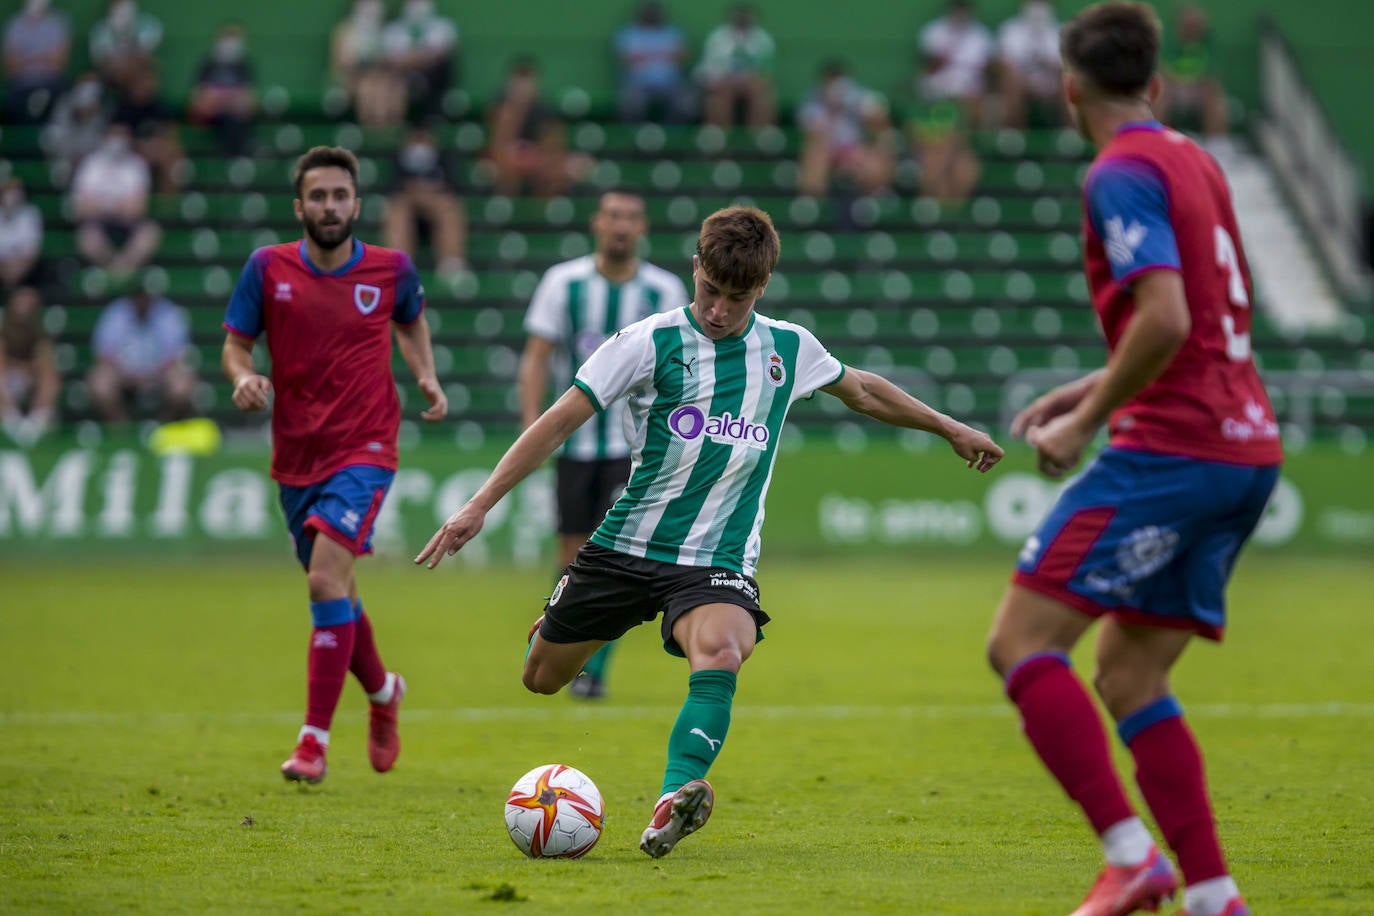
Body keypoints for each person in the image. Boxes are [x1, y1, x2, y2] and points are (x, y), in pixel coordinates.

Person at [418, 205, 1002, 858]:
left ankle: (677, 795)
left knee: (724, 648)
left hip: (714, 559)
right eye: (710, 291)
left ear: (763, 288)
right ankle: (579, 630)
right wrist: (479, 505)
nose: (719, 310)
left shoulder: (789, 349)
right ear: (694, 267)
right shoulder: (647, 341)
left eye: (737, 297)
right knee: (540, 677)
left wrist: (951, 427)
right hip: (622, 547)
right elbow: (556, 423)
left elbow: (864, 390)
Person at [983, 5, 1282, 916]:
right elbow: (1212, 315)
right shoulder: (1195, 159)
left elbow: (1166, 320)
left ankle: (1131, 859)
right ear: (1156, 82)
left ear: (1068, 87)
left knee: (1020, 644)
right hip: (1246, 447)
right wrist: (1091, 386)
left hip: (1174, 447)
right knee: (1128, 673)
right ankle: (1213, 895)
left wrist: (1086, 425)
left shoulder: (1119, 172)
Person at [222, 146, 448, 785]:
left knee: (324, 581)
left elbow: (411, 322)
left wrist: (426, 377)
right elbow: (236, 346)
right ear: (300, 206)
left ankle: (313, 742)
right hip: (296, 454)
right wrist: (243, 377)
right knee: (339, 590)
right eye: (317, 197)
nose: (329, 207)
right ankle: (383, 694)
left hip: (366, 447)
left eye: (339, 196)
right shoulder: (267, 269)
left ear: (356, 203)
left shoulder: (391, 268)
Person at [517, 188, 690, 700]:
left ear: (643, 227)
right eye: (613, 214)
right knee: (571, 552)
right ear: (598, 222)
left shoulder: (664, 289)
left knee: (608, 551)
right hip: (574, 445)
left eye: (631, 216)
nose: (621, 225)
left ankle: (591, 672)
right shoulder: (562, 283)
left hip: (633, 449)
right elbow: (536, 357)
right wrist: (534, 427)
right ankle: (563, 647)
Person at [87, 284, 196, 423]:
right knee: (99, 382)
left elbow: (178, 353)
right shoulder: (116, 312)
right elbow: (103, 352)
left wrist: (155, 374)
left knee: (182, 384)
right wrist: (125, 373)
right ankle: (120, 428)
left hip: (160, 373)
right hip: (122, 373)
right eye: (138, 298)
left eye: (146, 298)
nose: (142, 302)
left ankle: (163, 425)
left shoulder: (168, 312)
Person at [796, 60, 896, 200]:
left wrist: (855, 106)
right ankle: (811, 204)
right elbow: (813, 134)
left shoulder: (859, 96)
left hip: (855, 149)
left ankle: (878, 198)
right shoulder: (812, 101)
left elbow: (881, 122)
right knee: (815, 153)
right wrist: (831, 109)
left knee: (882, 148)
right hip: (828, 152)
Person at [71, 123, 161, 275]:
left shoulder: (137, 165)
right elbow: (81, 208)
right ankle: (112, 268)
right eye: (114, 135)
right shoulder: (91, 164)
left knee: (151, 233)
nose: (117, 141)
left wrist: (102, 204)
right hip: (98, 224)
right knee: (86, 238)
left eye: (121, 136)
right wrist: (120, 206)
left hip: (128, 224)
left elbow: (138, 209)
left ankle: (122, 269)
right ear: (105, 138)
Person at [484, 59, 582, 198]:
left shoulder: (543, 108)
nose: (524, 87)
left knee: (557, 171)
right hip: (505, 158)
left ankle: (545, 215)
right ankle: (506, 211)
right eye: (519, 82)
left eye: (528, 82)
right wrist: (517, 111)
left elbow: (554, 143)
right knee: (504, 170)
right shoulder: (503, 108)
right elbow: (498, 145)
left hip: (535, 158)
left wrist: (539, 159)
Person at [383, 121, 468, 276]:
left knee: (448, 207)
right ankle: (399, 269)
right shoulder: (397, 161)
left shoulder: (445, 160)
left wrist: (430, 197)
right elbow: (393, 192)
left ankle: (451, 265)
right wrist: (415, 195)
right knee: (397, 210)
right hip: (409, 215)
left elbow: (453, 191)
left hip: (436, 214)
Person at [1159, 3, 1229, 151]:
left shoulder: (1208, 41)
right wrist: (1179, 83)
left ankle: (1217, 147)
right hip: (1174, 89)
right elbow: (1165, 71)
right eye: (1189, 25)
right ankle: (1158, 140)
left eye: (1196, 25)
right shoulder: (1169, 42)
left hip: (1199, 89)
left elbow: (1211, 72)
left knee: (1213, 92)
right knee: (1160, 91)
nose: (1193, 28)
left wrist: (1197, 83)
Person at [695, 4, 776, 130]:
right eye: (739, 17)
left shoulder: (763, 38)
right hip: (722, 80)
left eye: (746, 17)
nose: (742, 20)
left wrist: (753, 81)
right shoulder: (718, 37)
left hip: (750, 82)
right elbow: (710, 67)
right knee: (720, 92)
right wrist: (725, 81)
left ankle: (761, 133)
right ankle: (719, 133)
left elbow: (766, 69)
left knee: (763, 92)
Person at [614, 1, 694, 124]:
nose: (651, 15)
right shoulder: (628, 33)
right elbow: (625, 59)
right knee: (631, 104)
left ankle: (672, 136)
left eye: (654, 13)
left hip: (670, 82)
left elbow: (682, 57)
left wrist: (646, 56)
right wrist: (663, 55)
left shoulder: (672, 33)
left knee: (687, 103)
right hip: (638, 82)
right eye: (647, 13)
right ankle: (635, 138)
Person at [917, 0, 994, 127]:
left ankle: (974, 134)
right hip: (939, 81)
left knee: (978, 98)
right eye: (957, 10)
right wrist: (939, 59)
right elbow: (927, 67)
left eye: (963, 11)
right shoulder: (934, 31)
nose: (959, 15)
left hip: (971, 83)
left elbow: (987, 69)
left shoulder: (981, 35)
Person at [0, 286, 61, 445]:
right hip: (7, 387)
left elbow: (47, 368)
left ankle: (34, 426)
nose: (24, 309)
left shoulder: (40, 336)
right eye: (20, 303)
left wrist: (28, 370)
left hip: (31, 384)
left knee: (50, 379)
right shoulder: (3, 333)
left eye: (29, 305)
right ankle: (14, 425)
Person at [331, 0, 405, 127]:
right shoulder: (346, 30)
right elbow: (343, 64)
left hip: (382, 78)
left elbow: (394, 60)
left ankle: (390, 129)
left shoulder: (386, 31)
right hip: (354, 79)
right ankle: (371, 130)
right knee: (369, 86)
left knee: (394, 86)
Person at [112, 65, 184, 193]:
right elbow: (117, 138)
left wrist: (156, 147)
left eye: (149, 80)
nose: (147, 85)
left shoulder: (160, 105)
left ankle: (168, 207)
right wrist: (139, 147)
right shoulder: (123, 108)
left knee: (173, 160)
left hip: (156, 151)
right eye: (142, 81)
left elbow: (172, 136)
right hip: (130, 154)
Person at [188, 23, 256, 158]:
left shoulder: (244, 66)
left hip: (235, 117)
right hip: (211, 118)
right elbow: (198, 100)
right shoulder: (207, 64)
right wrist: (225, 101)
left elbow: (249, 102)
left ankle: (236, 157)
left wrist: (221, 100)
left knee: (235, 119)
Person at [381, 0, 457, 120]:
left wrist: (413, 57)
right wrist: (418, 57)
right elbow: (391, 58)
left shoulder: (443, 26)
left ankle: (430, 120)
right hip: (402, 76)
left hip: (434, 77)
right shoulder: (393, 29)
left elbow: (441, 53)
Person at [996, 0, 1065, 129]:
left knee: (1067, 79)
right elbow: (1006, 62)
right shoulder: (1011, 30)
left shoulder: (1059, 31)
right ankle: (1014, 132)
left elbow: (1060, 64)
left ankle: (1068, 133)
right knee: (1011, 79)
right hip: (1021, 81)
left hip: (1050, 81)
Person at [3, 0, 71, 124]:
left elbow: (58, 62)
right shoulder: (14, 24)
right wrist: (45, 57)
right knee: (16, 106)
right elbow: (11, 65)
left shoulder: (57, 23)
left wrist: (26, 58)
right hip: (21, 82)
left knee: (60, 98)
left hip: (51, 81)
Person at [88, 0, 161, 98]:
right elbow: (104, 63)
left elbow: (145, 56)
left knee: (147, 74)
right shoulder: (99, 31)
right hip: (112, 76)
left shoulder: (148, 25)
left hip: (139, 71)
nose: (123, 8)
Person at [0, 179, 44, 291]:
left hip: (23, 271)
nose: (12, 196)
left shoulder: (30, 214)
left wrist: (14, 269)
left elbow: (30, 252)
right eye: (9, 191)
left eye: (16, 191)